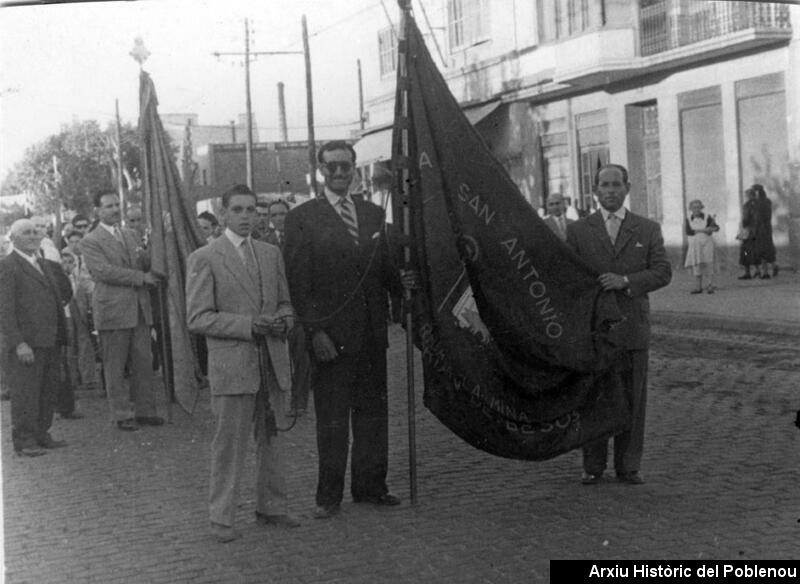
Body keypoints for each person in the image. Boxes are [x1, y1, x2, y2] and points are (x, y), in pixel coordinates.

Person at [284, 140, 406, 519]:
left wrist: (405, 281)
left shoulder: (372, 214)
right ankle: (329, 496)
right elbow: (298, 284)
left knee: (372, 417)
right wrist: (315, 332)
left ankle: (371, 487)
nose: (340, 173)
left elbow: (385, 273)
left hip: (371, 335)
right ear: (321, 171)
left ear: (355, 169)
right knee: (333, 420)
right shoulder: (302, 218)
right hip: (330, 339)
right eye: (332, 167)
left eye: (346, 167)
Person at [186, 184, 300, 543]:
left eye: (252, 210)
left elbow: (284, 302)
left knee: (273, 437)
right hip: (234, 365)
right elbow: (198, 317)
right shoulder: (205, 257)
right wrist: (248, 326)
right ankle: (221, 518)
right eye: (238, 210)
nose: (247, 216)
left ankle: (272, 507)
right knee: (229, 444)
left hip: (272, 359)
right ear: (223, 215)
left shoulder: (270, 253)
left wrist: (285, 319)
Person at [566, 163, 671, 486]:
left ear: (627, 188)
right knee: (594, 399)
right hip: (596, 332)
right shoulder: (579, 231)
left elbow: (663, 272)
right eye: (604, 185)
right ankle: (593, 466)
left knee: (632, 399)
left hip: (632, 329)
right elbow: (569, 276)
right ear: (595, 191)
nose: (610, 191)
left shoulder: (647, 229)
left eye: (616, 185)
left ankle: (629, 466)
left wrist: (626, 280)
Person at [79, 189, 164, 432]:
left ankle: (146, 411)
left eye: (117, 205)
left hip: (139, 308)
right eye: (108, 206)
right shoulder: (90, 240)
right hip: (113, 309)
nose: (115, 209)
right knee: (115, 366)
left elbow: (146, 262)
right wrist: (141, 277)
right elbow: (102, 272)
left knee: (143, 362)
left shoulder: (131, 234)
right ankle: (121, 413)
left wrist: (159, 241)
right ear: (97, 210)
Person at [0, 219, 71, 456]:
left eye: (36, 232)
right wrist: (18, 342)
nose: (33, 236)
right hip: (27, 343)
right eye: (26, 233)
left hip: (49, 339)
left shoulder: (43, 263)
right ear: (13, 238)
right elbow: (5, 309)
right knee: (25, 392)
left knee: (47, 390)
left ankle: (42, 433)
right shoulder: (8, 266)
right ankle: (25, 440)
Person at [261, 199, 311, 416]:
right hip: (274, 309)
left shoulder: (302, 240)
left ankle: (299, 402)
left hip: (298, 308)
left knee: (300, 357)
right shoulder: (264, 244)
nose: (279, 218)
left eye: (283, 214)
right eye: (275, 215)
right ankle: (276, 401)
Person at [57, 250, 84, 419]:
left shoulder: (76, 279)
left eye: (70, 262)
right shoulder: (59, 278)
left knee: (74, 351)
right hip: (63, 318)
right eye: (63, 262)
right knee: (64, 356)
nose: (66, 265)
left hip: (73, 315)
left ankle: (74, 385)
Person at [683, 199, 719, 294]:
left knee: (709, 262)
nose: (696, 209)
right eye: (694, 207)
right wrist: (704, 230)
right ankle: (698, 287)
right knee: (697, 264)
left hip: (707, 242)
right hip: (695, 243)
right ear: (691, 208)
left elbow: (716, 228)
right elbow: (689, 231)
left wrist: (710, 228)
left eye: (698, 207)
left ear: (701, 208)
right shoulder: (688, 219)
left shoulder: (707, 217)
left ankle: (710, 285)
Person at [752, 184, 777, 279]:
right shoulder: (767, 201)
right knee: (768, 249)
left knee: (761, 250)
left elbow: (758, 217)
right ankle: (773, 266)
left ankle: (766, 272)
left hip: (760, 229)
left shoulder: (757, 203)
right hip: (767, 228)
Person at [738, 187, 759, 279]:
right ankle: (758, 270)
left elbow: (745, 219)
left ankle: (748, 273)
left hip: (748, 232)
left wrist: (742, 226)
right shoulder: (759, 204)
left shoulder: (747, 205)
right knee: (755, 251)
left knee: (745, 251)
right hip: (758, 231)